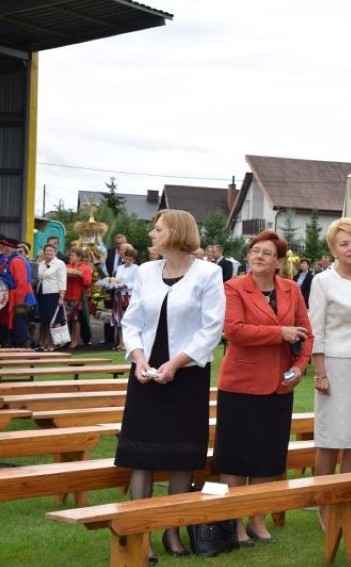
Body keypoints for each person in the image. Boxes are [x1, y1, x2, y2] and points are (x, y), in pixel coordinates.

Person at [114, 209, 225, 564]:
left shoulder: (209, 273)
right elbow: (131, 321)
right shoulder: (146, 271)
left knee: (182, 455)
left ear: (175, 233)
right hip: (146, 371)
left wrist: (176, 363)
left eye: (157, 229)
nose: (151, 234)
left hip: (187, 372)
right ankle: (141, 533)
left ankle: (173, 530)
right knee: (141, 455)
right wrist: (138, 358)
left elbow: (212, 328)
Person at [214, 230, 313, 545]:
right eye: (254, 251)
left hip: (279, 387)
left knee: (266, 458)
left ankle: (257, 519)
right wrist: (279, 333)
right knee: (235, 457)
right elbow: (233, 331)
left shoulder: (292, 290)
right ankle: (235, 523)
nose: (258, 256)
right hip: (241, 387)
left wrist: (299, 367)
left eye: (266, 253)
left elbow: (306, 334)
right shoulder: (233, 288)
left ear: (279, 262)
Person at [308, 218, 351, 529]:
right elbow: (316, 328)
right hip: (335, 365)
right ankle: (323, 502)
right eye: (345, 243)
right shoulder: (323, 281)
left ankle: (348, 501)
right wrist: (320, 372)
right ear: (333, 249)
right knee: (330, 437)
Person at [0, 236, 36, 348]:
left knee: (20, 326)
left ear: (8, 249)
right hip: (17, 298)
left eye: (4, 247)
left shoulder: (17, 261)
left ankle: (24, 349)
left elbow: (21, 283)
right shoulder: (13, 260)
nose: (2, 250)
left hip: (21, 299)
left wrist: (19, 302)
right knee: (16, 324)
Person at [35, 242, 67, 351]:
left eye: (51, 251)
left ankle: (53, 343)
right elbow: (38, 277)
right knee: (44, 319)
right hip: (42, 294)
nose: (48, 252)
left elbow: (63, 280)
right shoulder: (41, 263)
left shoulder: (60, 263)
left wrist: (61, 296)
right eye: (47, 251)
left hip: (53, 294)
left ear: (55, 252)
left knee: (53, 319)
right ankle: (42, 343)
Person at [63, 247, 92, 350]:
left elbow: (88, 283)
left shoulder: (85, 268)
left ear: (79, 257)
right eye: (70, 255)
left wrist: (80, 276)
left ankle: (74, 342)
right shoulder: (66, 266)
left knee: (76, 320)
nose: (70, 257)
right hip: (66, 296)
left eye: (73, 255)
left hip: (77, 297)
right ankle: (65, 340)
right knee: (65, 320)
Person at [112, 247, 141, 351]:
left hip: (128, 296)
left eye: (130, 259)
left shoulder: (136, 268)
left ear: (133, 260)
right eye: (126, 258)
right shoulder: (119, 268)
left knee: (127, 319)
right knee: (118, 320)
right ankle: (120, 342)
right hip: (118, 295)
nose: (128, 261)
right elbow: (115, 279)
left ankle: (126, 343)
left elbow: (136, 284)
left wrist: (125, 285)